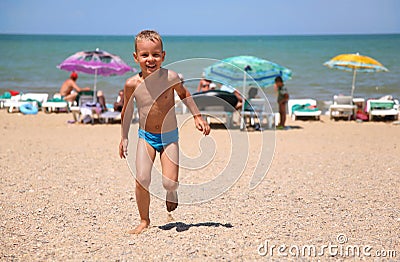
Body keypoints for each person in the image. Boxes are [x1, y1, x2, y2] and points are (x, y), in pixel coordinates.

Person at [119, 30, 210, 234]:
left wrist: (197, 116)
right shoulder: (132, 84)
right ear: (136, 57)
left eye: (155, 54)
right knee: (142, 178)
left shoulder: (171, 77)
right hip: (146, 137)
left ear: (163, 56)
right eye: (144, 55)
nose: (150, 59)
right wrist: (124, 137)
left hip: (169, 138)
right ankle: (144, 220)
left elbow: (185, 94)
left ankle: (172, 193)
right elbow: (127, 110)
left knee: (169, 182)